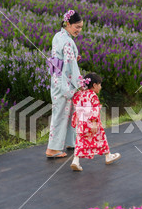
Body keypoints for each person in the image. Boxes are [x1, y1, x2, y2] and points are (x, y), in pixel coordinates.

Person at [45, 10, 84, 158]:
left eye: (81, 27)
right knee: (61, 114)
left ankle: (70, 142)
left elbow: (62, 59)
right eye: (77, 27)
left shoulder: (59, 36)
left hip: (57, 78)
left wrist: (74, 58)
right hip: (64, 81)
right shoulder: (68, 41)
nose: (79, 30)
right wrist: (78, 82)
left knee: (68, 113)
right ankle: (52, 149)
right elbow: (68, 66)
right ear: (68, 24)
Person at [70, 73, 121, 171]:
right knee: (101, 138)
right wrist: (94, 123)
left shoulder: (80, 94)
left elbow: (75, 102)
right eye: (100, 85)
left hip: (82, 123)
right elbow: (94, 110)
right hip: (91, 122)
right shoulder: (93, 96)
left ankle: (75, 161)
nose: (100, 87)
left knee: (80, 141)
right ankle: (108, 156)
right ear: (94, 85)